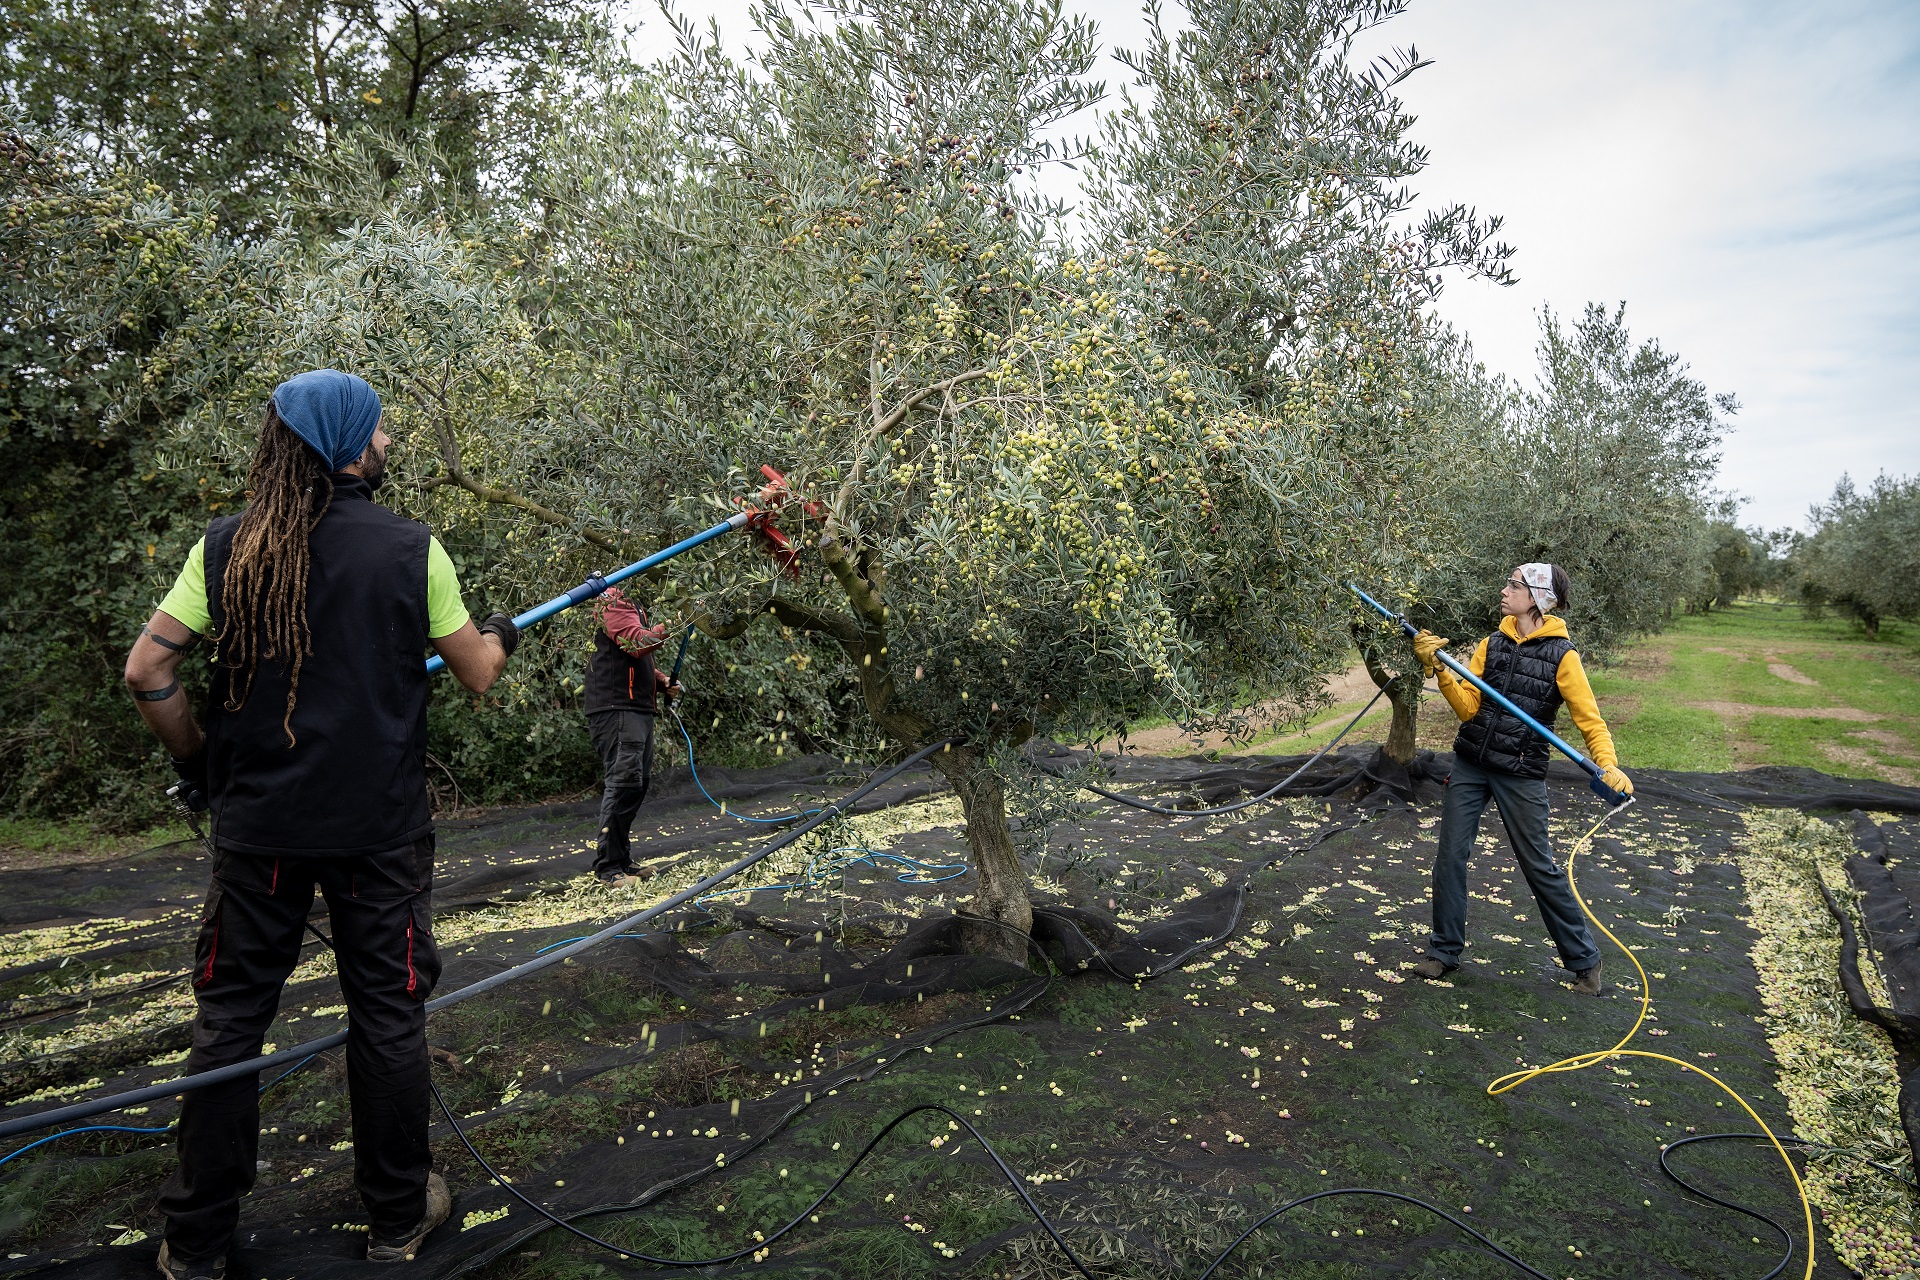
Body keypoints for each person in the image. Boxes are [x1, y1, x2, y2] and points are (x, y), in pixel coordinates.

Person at [124, 370, 520, 1278]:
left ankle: (197, 1243)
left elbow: (148, 672)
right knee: (387, 1014)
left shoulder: (226, 547)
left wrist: (199, 763)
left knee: (232, 1020)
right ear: (349, 444)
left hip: (258, 832)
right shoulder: (411, 549)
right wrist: (502, 629)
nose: (388, 443)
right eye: (379, 430)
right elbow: (478, 671)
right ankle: (396, 1217)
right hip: (378, 835)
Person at [1408, 563, 1634, 996]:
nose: (1505, 590)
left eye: (1514, 585)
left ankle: (1585, 961)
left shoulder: (1563, 656)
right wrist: (1440, 670)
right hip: (1471, 763)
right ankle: (1443, 951)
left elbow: (1589, 719)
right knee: (1449, 857)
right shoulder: (1491, 643)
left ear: (1536, 597)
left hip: (1520, 771)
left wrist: (1608, 763)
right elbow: (1469, 708)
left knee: (1538, 865)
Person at [583, 586, 679, 888]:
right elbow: (635, 643)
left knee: (636, 785)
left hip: (637, 708)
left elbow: (636, 659)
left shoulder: (631, 600)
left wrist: (661, 681)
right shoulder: (611, 598)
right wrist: (675, 623)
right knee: (623, 784)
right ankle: (608, 869)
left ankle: (622, 860)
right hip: (618, 708)